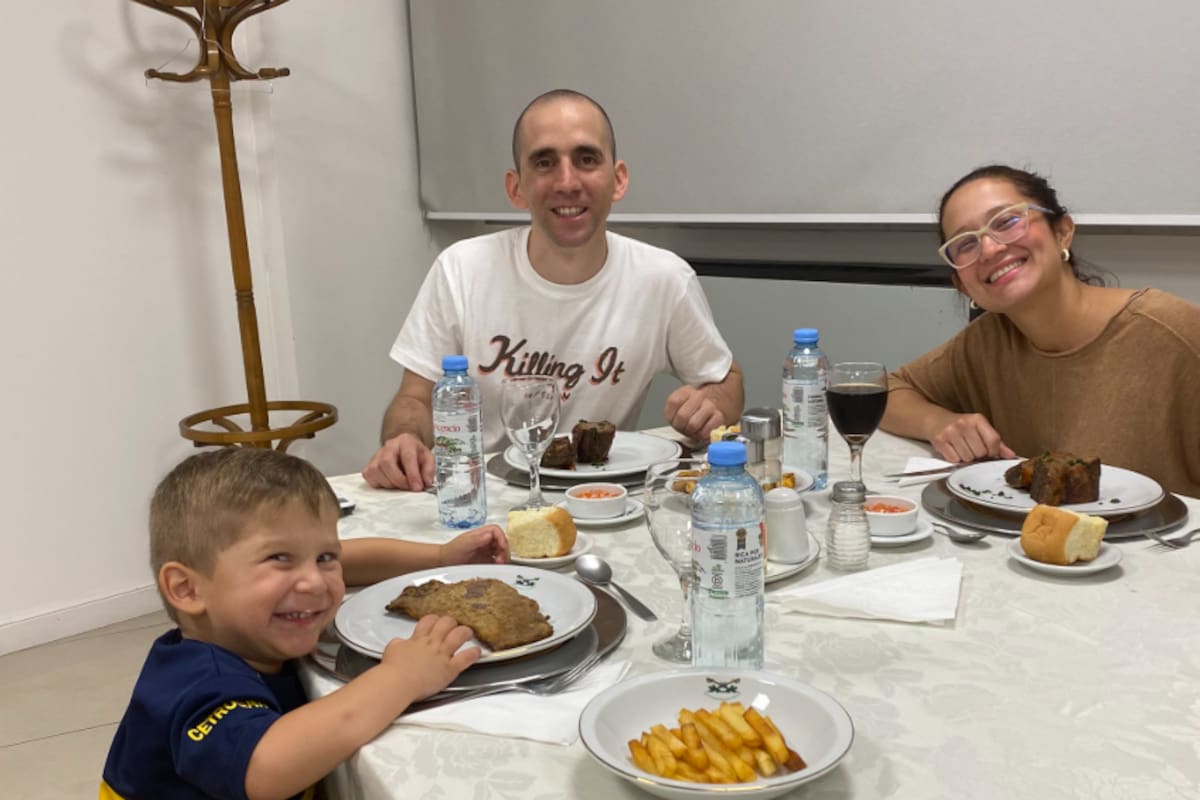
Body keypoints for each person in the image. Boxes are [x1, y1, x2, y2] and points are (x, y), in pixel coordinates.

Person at [363, 89, 743, 491]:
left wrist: (712, 404)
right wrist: (403, 439)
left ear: (618, 180)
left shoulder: (664, 278)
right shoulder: (461, 269)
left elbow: (728, 381)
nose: (567, 182)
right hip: (482, 499)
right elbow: (415, 398)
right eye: (545, 162)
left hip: (606, 500)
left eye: (586, 159)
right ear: (516, 188)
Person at [100, 447, 509, 800]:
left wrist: (439, 558)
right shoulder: (197, 681)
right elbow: (267, 767)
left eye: (323, 558)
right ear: (187, 589)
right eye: (279, 558)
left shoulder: (246, 636)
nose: (315, 581)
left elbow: (351, 557)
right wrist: (402, 678)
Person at [880, 164, 1200, 497]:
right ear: (962, 284)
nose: (989, 249)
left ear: (1062, 232)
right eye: (965, 244)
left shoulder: (1173, 333)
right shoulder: (987, 341)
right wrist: (937, 423)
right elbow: (884, 391)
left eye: (1006, 222)